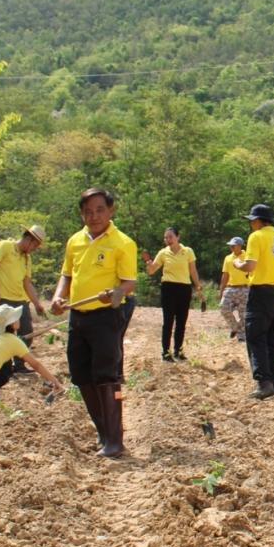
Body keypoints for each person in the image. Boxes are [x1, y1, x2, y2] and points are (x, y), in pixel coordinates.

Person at [50, 188, 137, 458]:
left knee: (106, 375)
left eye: (99, 210)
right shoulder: (75, 241)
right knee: (81, 375)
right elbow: (67, 275)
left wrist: (115, 294)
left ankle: (115, 439)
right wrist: (58, 297)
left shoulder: (123, 243)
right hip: (78, 317)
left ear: (111, 211)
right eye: (88, 211)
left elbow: (129, 283)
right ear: (81, 214)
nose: (94, 215)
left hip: (106, 318)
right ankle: (102, 432)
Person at [236, 204, 274, 399]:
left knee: (256, 337)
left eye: (252, 220)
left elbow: (250, 265)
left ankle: (263, 383)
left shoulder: (256, 237)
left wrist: (237, 264)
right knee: (273, 338)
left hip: (259, 293)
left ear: (258, 221)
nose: (251, 224)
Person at [0, 225, 48, 374]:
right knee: (5, 333)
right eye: (35, 245)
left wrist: (37, 304)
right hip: (1, 298)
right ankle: (1, 367)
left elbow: (27, 283)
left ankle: (19, 365)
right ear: (28, 239)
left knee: (26, 332)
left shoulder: (27, 259)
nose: (35, 249)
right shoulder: (5, 246)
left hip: (20, 301)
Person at [142, 227, 202, 361]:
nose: (168, 240)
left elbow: (193, 271)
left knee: (181, 321)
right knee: (168, 321)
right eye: (165, 237)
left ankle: (178, 350)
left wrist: (197, 285)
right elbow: (152, 271)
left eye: (170, 237)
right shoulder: (163, 253)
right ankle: (165, 351)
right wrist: (149, 264)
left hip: (184, 288)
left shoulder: (188, 251)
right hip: (168, 288)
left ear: (178, 237)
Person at [219, 237, 251, 342]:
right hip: (231, 287)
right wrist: (221, 290)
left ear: (240, 245)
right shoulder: (228, 258)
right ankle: (235, 327)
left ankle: (241, 336)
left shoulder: (248, 256)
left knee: (244, 314)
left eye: (234, 245)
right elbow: (225, 275)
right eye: (230, 245)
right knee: (224, 308)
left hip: (245, 288)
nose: (231, 247)